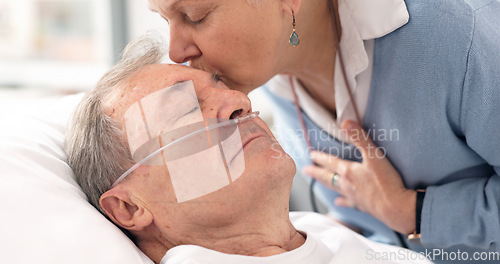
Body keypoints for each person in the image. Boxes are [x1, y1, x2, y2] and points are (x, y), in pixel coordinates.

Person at [147, 0, 500, 261]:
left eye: (195, 16)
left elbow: (390, 212)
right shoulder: (268, 76)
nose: (176, 51)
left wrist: (414, 211)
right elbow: (360, 214)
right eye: (165, 21)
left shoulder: (458, 33)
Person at [65, 36, 433, 264]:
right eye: (185, 109)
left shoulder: (324, 231)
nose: (240, 101)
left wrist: (410, 213)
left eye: (221, 85)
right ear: (130, 208)